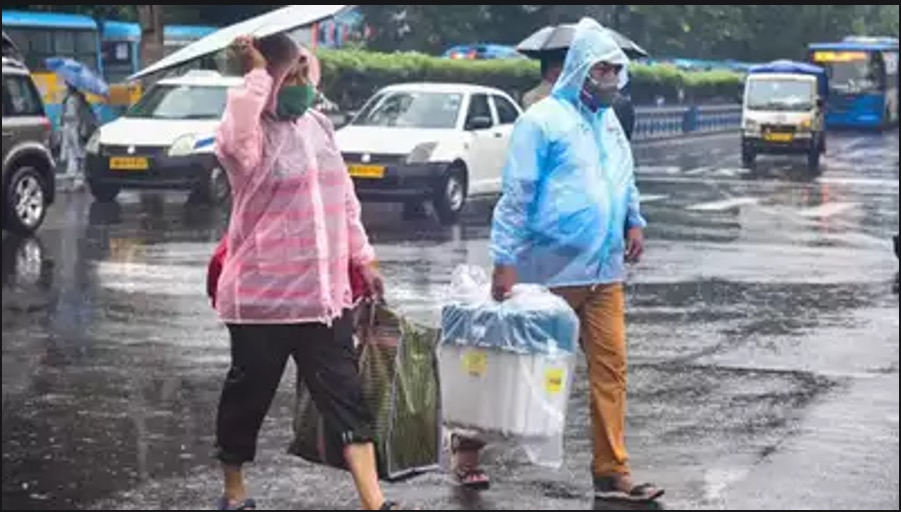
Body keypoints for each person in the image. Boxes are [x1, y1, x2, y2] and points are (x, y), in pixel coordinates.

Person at [212, 33, 406, 511]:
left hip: (322, 298)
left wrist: (364, 258)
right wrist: (256, 75)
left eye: (304, 74)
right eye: (288, 76)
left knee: (346, 397)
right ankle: (234, 491)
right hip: (263, 300)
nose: (299, 85)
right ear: (270, 79)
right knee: (248, 397)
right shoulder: (249, 132)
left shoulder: (318, 125)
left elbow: (343, 199)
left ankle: (374, 503)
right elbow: (238, 147)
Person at [489, 18, 664, 503]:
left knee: (612, 368)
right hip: (550, 269)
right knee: (520, 364)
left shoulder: (608, 122)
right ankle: (468, 441)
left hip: (605, 269)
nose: (610, 78)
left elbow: (623, 174)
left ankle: (612, 471)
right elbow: (516, 196)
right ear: (582, 70)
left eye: (615, 70)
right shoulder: (541, 121)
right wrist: (505, 258)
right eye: (603, 69)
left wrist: (634, 218)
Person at [59, 83, 97, 187]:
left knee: (76, 153)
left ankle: (78, 179)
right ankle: (76, 178)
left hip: (74, 130)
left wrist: (63, 116)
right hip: (76, 129)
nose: (65, 88)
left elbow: (72, 116)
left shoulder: (72, 99)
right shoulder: (79, 98)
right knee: (75, 153)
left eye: (67, 86)